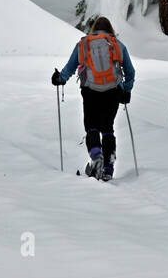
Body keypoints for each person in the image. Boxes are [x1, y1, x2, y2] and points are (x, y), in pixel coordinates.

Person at [52, 16, 135, 181]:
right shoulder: (117, 44)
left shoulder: (84, 44)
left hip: (90, 91)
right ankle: (108, 167)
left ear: (94, 29)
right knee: (108, 128)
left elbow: (70, 67)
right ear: (110, 29)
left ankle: (96, 154)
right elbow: (130, 71)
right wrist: (126, 90)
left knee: (92, 126)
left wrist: (59, 79)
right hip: (113, 91)